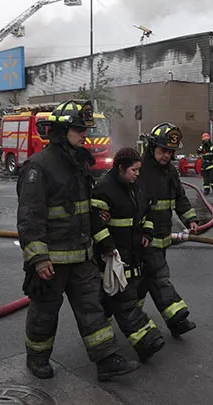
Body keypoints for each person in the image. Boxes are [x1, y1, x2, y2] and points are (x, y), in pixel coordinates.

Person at [17, 99, 139, 381]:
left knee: (92, 309)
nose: (84, 133)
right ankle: (37, 358)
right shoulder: (39, 167)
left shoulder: (78, 163)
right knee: (45, 313)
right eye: (78, 129)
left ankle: (107, 360)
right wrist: (38, 257)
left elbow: (84, 206)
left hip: (82, 255)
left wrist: (101, 233)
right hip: (53, 261)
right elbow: (29, 217)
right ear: (60, 131)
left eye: (84, 128)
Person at [91, 147, 166, 362]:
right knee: (123, 299)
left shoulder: (135, 186)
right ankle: (146, 340)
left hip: (133, 251)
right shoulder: (104, 189)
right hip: (113, 254)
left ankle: (104, 332)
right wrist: (108, 248)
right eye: (133, 170)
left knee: (121, 295)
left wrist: (147, 232)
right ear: (121, 168)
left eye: (139, 170)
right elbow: (95, 222)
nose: (137, 174)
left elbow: (146, 212)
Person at [137, 122, 199, 337]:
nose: (166, 155)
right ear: (151, 147)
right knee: (158, 276)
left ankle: (128, 315)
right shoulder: (140, 170)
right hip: (143, 237)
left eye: (170, 152)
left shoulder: (170, 171)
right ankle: (176, 318)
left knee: (143, 279)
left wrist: (190, 218)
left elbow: (180, 197)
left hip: (162, 235)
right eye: (163, 150)